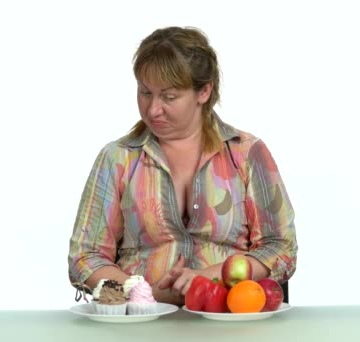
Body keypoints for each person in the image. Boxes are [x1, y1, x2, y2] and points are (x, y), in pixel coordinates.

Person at [68, 26, 297, 305]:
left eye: (169, 96)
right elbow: (85, 257)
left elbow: (281, 248)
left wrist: (217, 275)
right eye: (145, 92)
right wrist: (141, 294)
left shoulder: (247, 153)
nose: (153, 109)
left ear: (204, 91)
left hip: (231, 321)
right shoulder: (117, 158)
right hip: (140, 325)